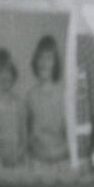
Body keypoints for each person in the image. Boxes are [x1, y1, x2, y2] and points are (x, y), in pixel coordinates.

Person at [27, 33, 70, 164]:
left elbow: (71, 136)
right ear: (36, 60)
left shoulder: (64, 94)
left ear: (55, 63)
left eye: (49, 58)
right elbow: (28, 134)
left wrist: (60, 153)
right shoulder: (30, 95)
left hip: (61, 156)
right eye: (40, 57)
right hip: (37, 157)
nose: (44, 62)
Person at [0, 47, 28, 166]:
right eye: (0, 72)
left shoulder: (20, 103)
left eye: (8, 71)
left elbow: (24, 136)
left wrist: (18, 154)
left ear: (13, 75)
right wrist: (0, 154)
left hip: (17, 152)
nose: (5, 76)